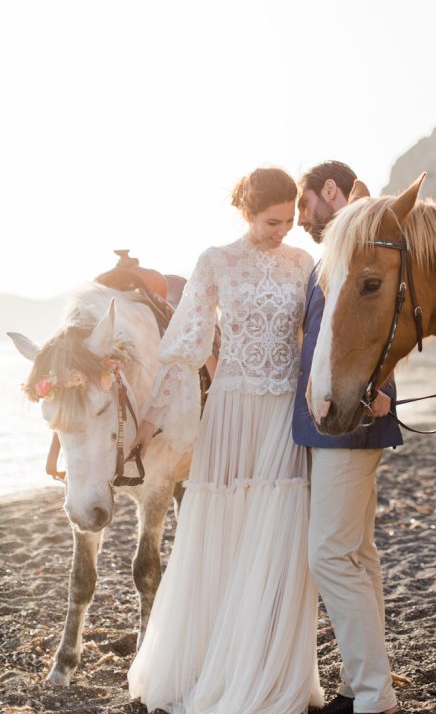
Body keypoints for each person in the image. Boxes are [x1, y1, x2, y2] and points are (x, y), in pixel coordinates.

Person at [127, 167, 323, 714]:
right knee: (223, 534)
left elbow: (315, 340)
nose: (282, 229)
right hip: (232, 411)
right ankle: (210, 662)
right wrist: (151, 421)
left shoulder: (303, 263)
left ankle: (266, 666)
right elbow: (182, 348)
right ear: (246, 212)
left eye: (289, 220)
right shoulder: (214, 261)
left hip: (286, 411)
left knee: (279, 533)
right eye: (271, 221)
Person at [294, 160, 403, 714]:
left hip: (348, 418)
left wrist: (380, 390)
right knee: (356, 554)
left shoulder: (363, 244)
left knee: (330, 556)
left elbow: (377, 325)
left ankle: (374, 694)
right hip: (337, 417)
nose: (299, 220)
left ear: (328, 191)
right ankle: (356, 685)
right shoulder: (344, 251)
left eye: (303, 205)